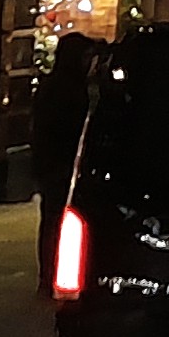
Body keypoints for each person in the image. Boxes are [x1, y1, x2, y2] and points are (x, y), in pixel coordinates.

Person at [30, 32, 97, 289]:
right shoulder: (67, 89)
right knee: (58, 219)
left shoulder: (59, 85)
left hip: (55, 163)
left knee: (54, 220)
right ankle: (51, 273)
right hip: (60, 163)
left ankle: (50, 273)